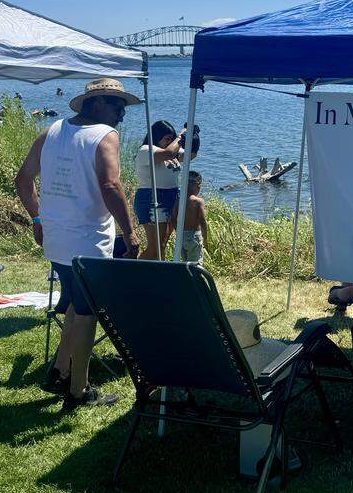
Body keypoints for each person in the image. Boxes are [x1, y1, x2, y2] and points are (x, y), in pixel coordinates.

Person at [14, 77, 141, 410]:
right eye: (117, 106)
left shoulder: (51, 131)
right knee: (86, 314)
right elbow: (111, 186)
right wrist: (130, 231)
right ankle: (78, 391)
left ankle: (59, 371)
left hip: (56, 240)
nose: (122, 114)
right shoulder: (105, 135)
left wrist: (38, 219)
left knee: (73, 303)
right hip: (88, 243)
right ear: (97, 103)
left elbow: (23, 179)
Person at [133, 120, 186, 260]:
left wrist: (193, 139)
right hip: (152, 199)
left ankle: (158, 271)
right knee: (155, 247)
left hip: (171, 198)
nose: (169, 142)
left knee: (162, 245)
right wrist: (180, 137)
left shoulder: (171, 150)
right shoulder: (146, 150)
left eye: (171, 139)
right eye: (167, 139)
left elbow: (189, 155)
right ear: (156, 137)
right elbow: (169, 153)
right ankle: (131, 271)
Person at [169, 171, 208, 264]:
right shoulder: (198, 201)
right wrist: (205, 238)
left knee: (185, 262)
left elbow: (173, 218)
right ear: (198, 186)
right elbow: (203, 221)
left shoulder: (179, 199)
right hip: (194, 236)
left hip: (181, 236)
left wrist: (178, 231)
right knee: (196, 263)